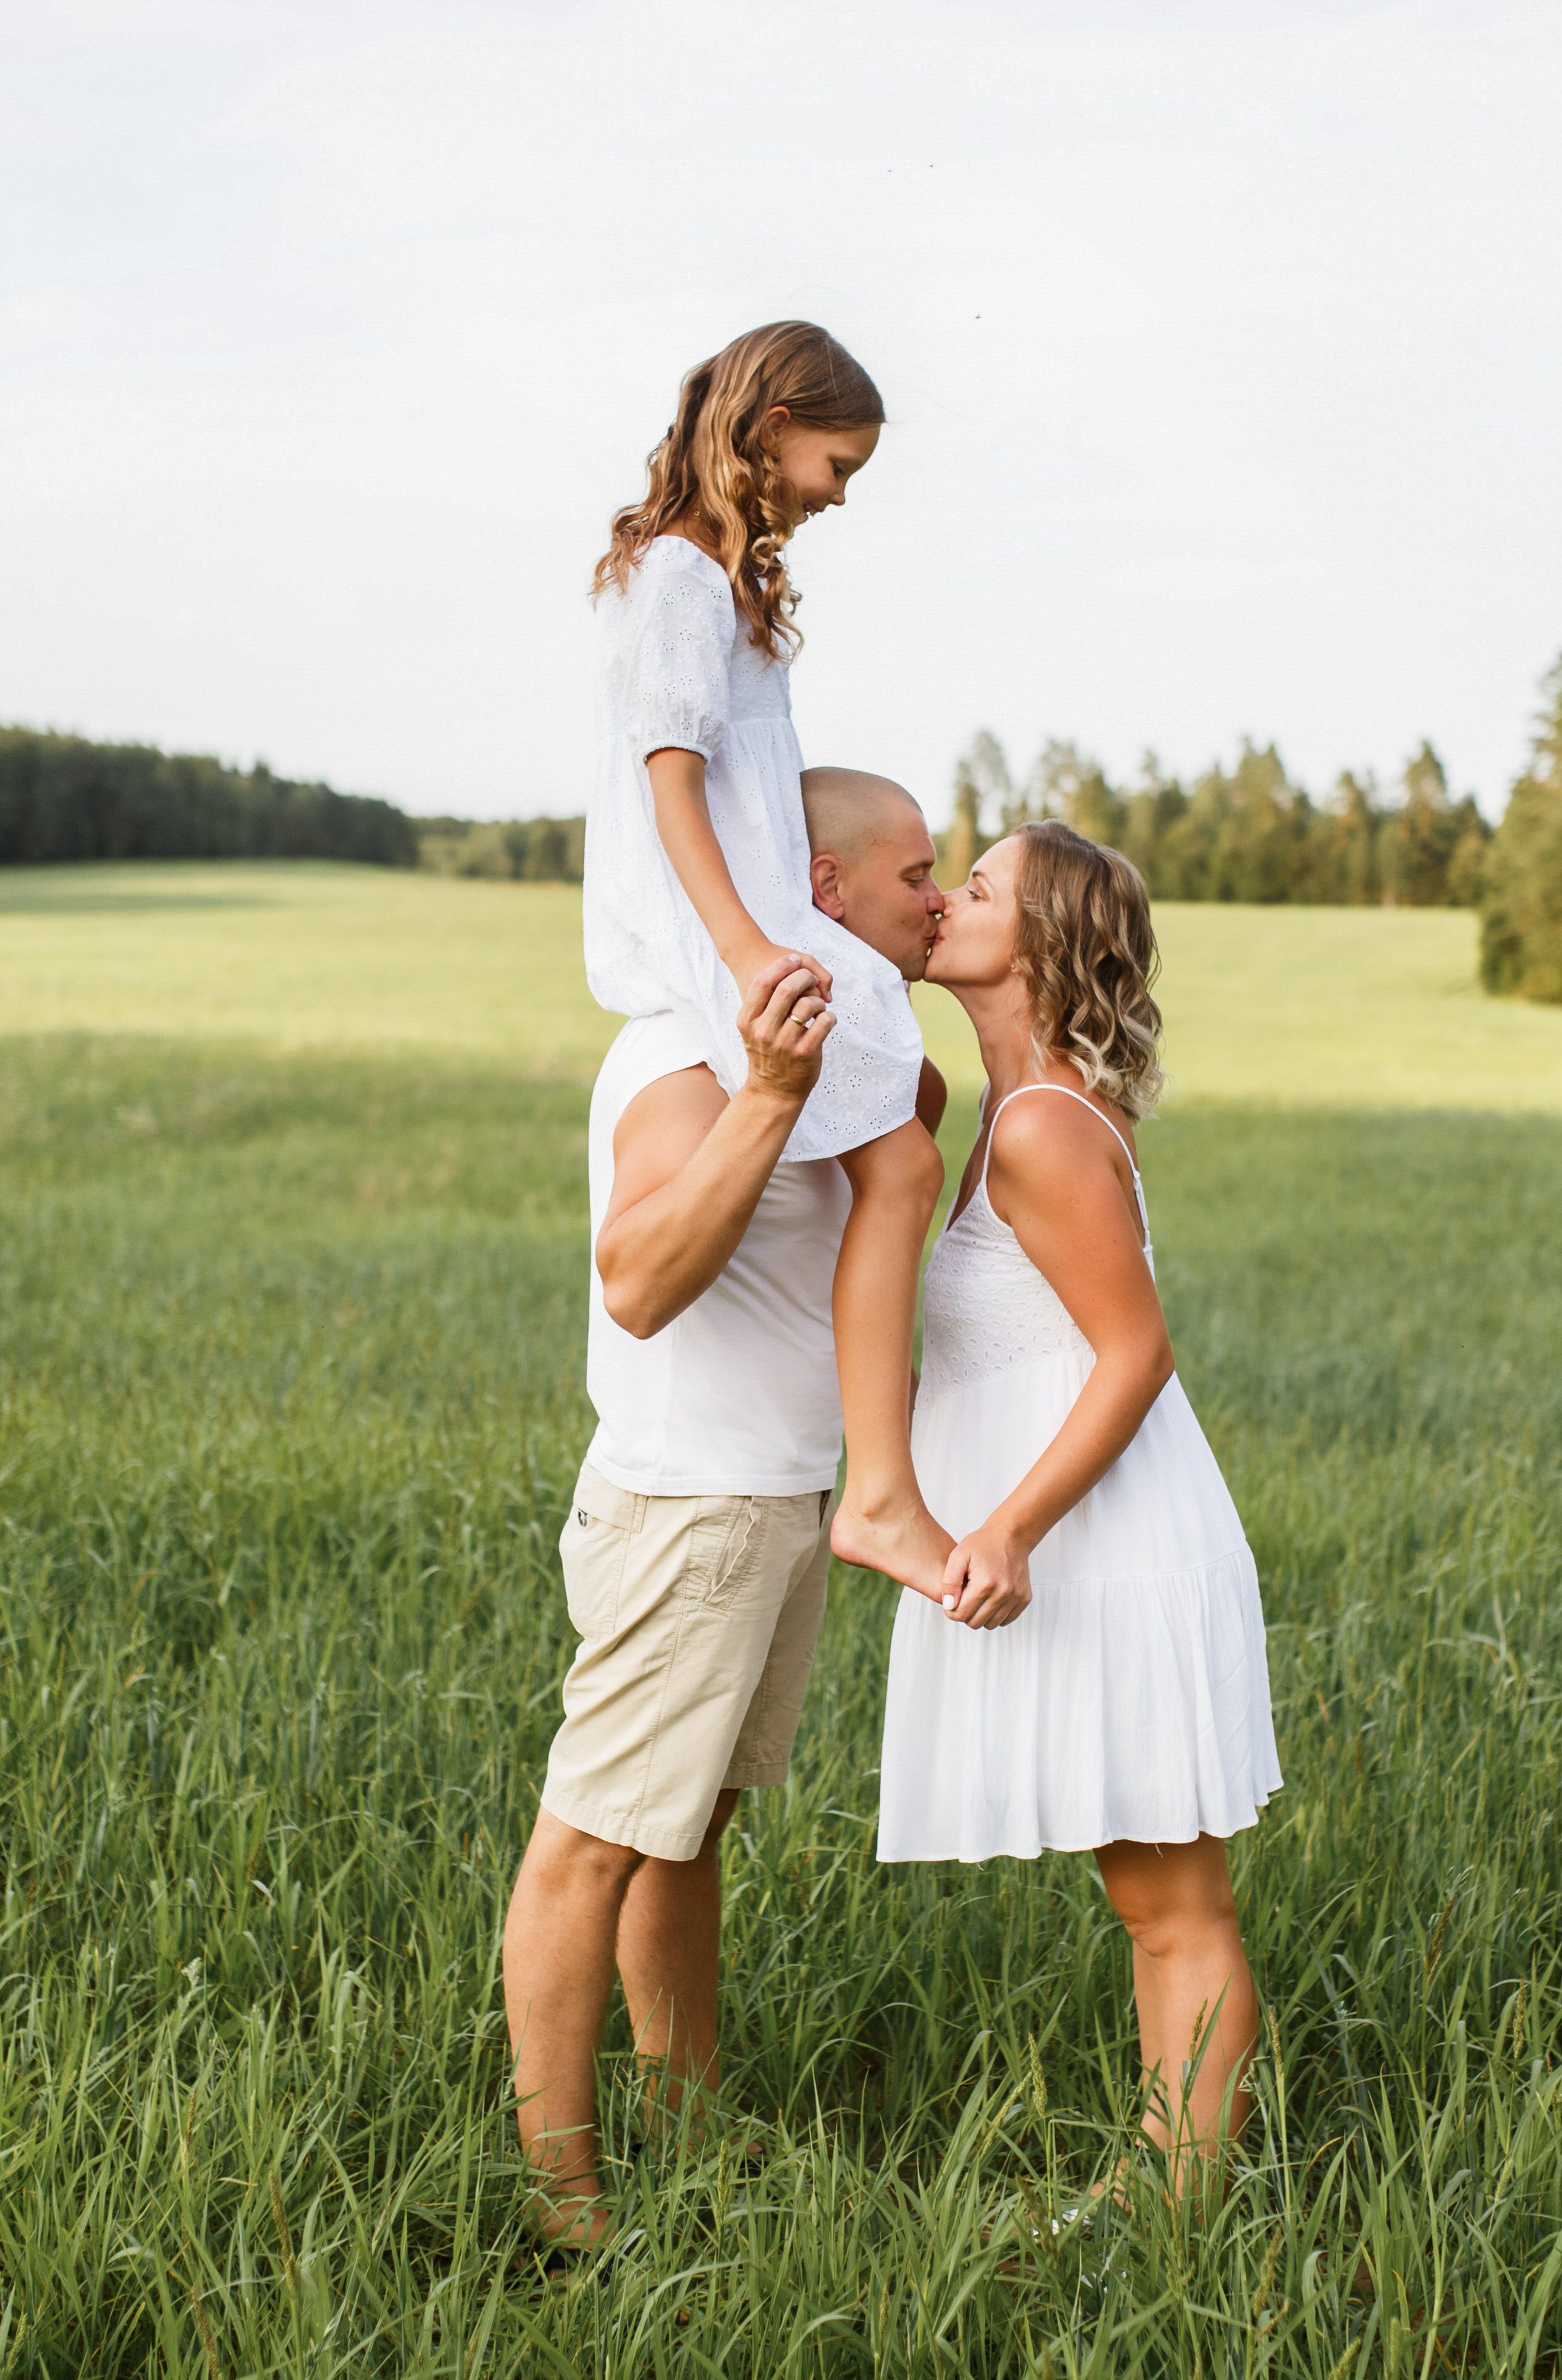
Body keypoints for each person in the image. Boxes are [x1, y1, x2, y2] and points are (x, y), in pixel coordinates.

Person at [503, 775, 947, 2256]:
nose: (934, 901)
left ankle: (686, 2112)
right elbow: (634, 1279)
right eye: (914, 877)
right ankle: (561, 2191)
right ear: (820, 884)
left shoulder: (846, 1051)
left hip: (771, 1500)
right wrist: (763, 1092)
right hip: (688, 1507)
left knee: (685, 1830)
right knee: (594, 1839)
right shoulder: (687, 1057)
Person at [877, 822, 1282, 2188]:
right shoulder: (1012, 1109)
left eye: (975, 887)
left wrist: (1003, 1527)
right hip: (1105, 1544)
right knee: (1151, 1902)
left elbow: (1134, 1352)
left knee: (1173, 1905)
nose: (941, 899)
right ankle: (1169, 2172)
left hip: (1118, 1549)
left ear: (1038, 943)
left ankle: (1185, 2216)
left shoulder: (1045, 1125)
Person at [586, 321, 951, 1598]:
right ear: (771, 428)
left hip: (752, 921)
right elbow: (670, 777)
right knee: (902, 1159)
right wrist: (747, 946)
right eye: (837, 462)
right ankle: (887, 1489)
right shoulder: (684, 577)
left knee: (917, 1109)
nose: (839, 493)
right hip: (730, 930)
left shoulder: (715, 581)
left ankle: (888, 1413)